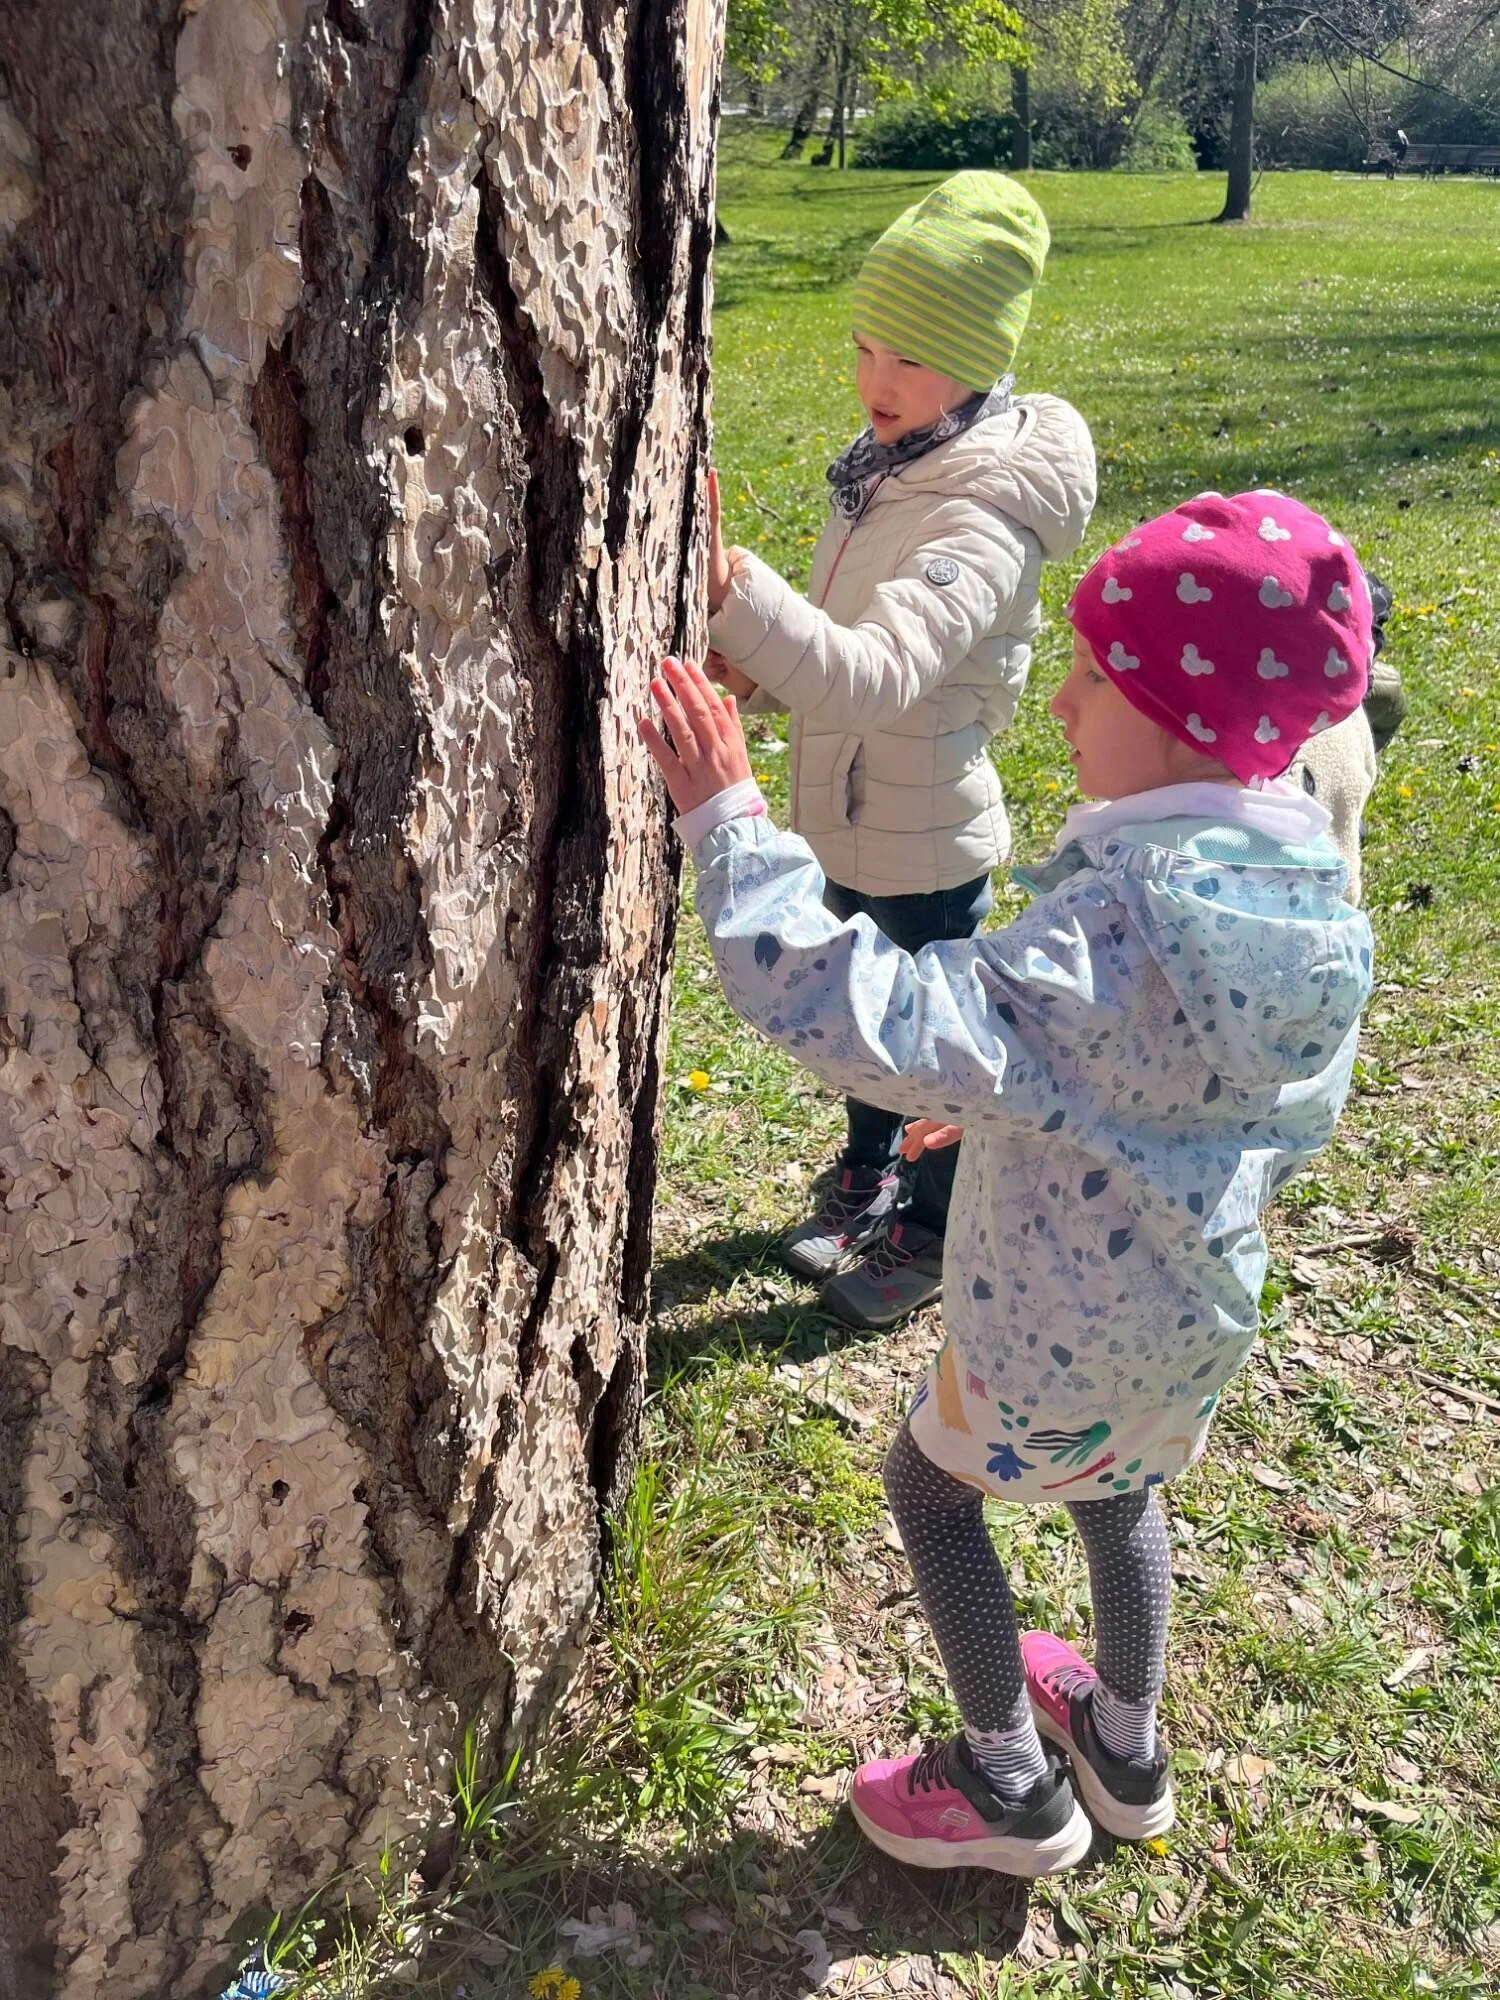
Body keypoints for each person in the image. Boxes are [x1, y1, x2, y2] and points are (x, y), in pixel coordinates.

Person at [641, 487, 1375, 1878]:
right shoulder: (1314, 906)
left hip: (1046, 1325)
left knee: (931, 1492)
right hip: (1192, 1322)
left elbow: (871, 1015)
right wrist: (1012, 1115)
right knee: (1122, 1495)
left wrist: (727, 820)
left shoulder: (1115, 918)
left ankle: (1007, 1787)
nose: (1059, 712)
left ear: (1172, 720)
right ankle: (1129, 1742)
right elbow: (1227, 1103)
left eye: (1090, 679)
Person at [703, 170, 1096, 1330]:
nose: (879, 379)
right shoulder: (899, 458)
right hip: (852, 814)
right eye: (868, 343)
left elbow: (875, 675)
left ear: (979, 360)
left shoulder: (978, 519)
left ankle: (928, 1231)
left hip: (926, 841)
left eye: (912, 358)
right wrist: (763, 678)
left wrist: (736, 592)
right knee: (865, 1025)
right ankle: (867, 1176)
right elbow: (835, 653)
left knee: (932, 1053)